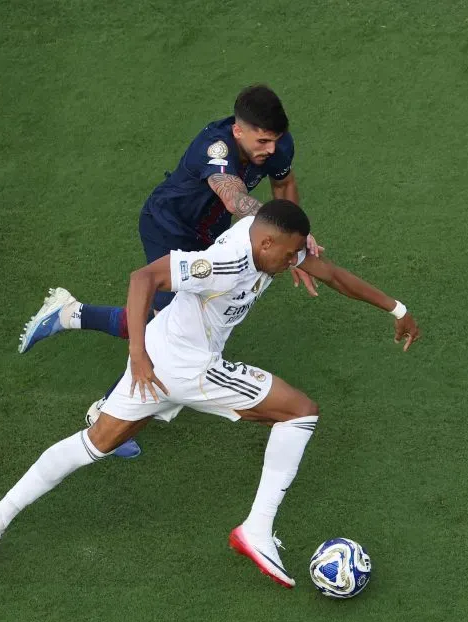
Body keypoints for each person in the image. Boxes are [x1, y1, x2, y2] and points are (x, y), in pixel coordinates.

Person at [0, 200, 420, 588]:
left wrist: (396, 308)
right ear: (265, 245)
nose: (293, 264)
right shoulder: (225, 263)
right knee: (300, 413)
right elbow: (143, 278)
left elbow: (331, 273)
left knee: (95, 443)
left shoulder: (270, 239)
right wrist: (137, 353)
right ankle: (256, 530)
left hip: (166, 354)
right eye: (288, 256)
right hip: (186, 365)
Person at [16, 85, 321, 458]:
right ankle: (106, 409)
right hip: (168, 228)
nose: (270, 149)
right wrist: (282, 234)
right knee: (163, 323)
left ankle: (68, 313)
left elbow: (284, 184)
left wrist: (296, 236)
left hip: (207, 238)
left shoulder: (276, 146)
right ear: (239, 131)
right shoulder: (215, 149)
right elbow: (233, 196)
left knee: (169, 322)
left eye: (275, 140)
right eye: (262, 140)